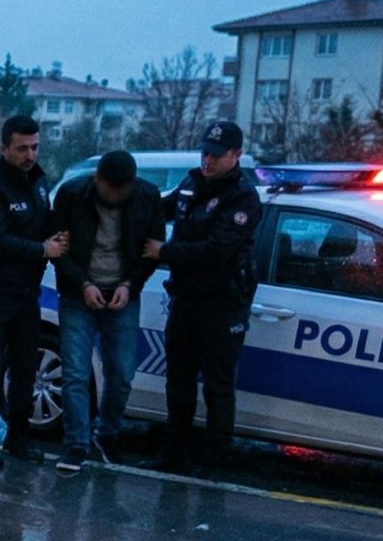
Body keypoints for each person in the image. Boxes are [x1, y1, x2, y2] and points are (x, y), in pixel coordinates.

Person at [146, 121, 262, 472]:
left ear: (236, 155)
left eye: (215, 155)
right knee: (178, 384)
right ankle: (173, 456)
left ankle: (214, 462)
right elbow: (161, 207)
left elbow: (217, 251)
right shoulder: (192, 182)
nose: (207, 161)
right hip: (186, 301)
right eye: (204, 153)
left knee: (217, 387)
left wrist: (164, 252)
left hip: (221, 305)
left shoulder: (243, 197)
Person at [49, 150, 164, 474]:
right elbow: (58, 251)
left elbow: (152, 252)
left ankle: (107, 434)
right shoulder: (72, 194)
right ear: (97, 180)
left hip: (123, 295)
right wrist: (83, 284)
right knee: (74, 372)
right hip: (77, 295)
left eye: (121, 191)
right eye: (110, 190)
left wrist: (130, 285)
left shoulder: (146, 197)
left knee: (123, 373)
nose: (115, 197)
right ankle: (76, 444)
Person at [0, 115, 67, 468]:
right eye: (22, 148)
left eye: (35, 147)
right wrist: (42, 250)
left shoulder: (37, 182)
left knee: (26, 368)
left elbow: (44, 222)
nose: (30, 155)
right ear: (4, 148)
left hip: (26, 293)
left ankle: (18, 437)